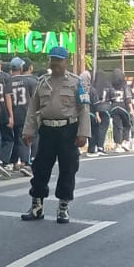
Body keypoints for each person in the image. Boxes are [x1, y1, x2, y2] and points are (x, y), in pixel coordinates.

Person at [21, 46, 91, 223]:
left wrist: (83, 133)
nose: (55, 63)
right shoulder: (42, 82)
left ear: (66, 62)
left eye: (59, 60)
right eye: (53, 60)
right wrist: (28, 131)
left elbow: (84, 109)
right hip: (47, 130)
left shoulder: (76, 82)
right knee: (40, 168)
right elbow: (33, 108)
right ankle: (37, 206)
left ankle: (63, 207)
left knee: (68, 169)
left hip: (68, 130)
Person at [6, 57, 36, 170]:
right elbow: (35, 99)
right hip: (26, 112)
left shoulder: (8, 81)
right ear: (21, 67)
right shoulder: (29, 81)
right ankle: (25, 161)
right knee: (26, 137)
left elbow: (7, 98)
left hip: (13, 113)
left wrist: (10, 115)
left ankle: (13, 161)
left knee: (16, 138)